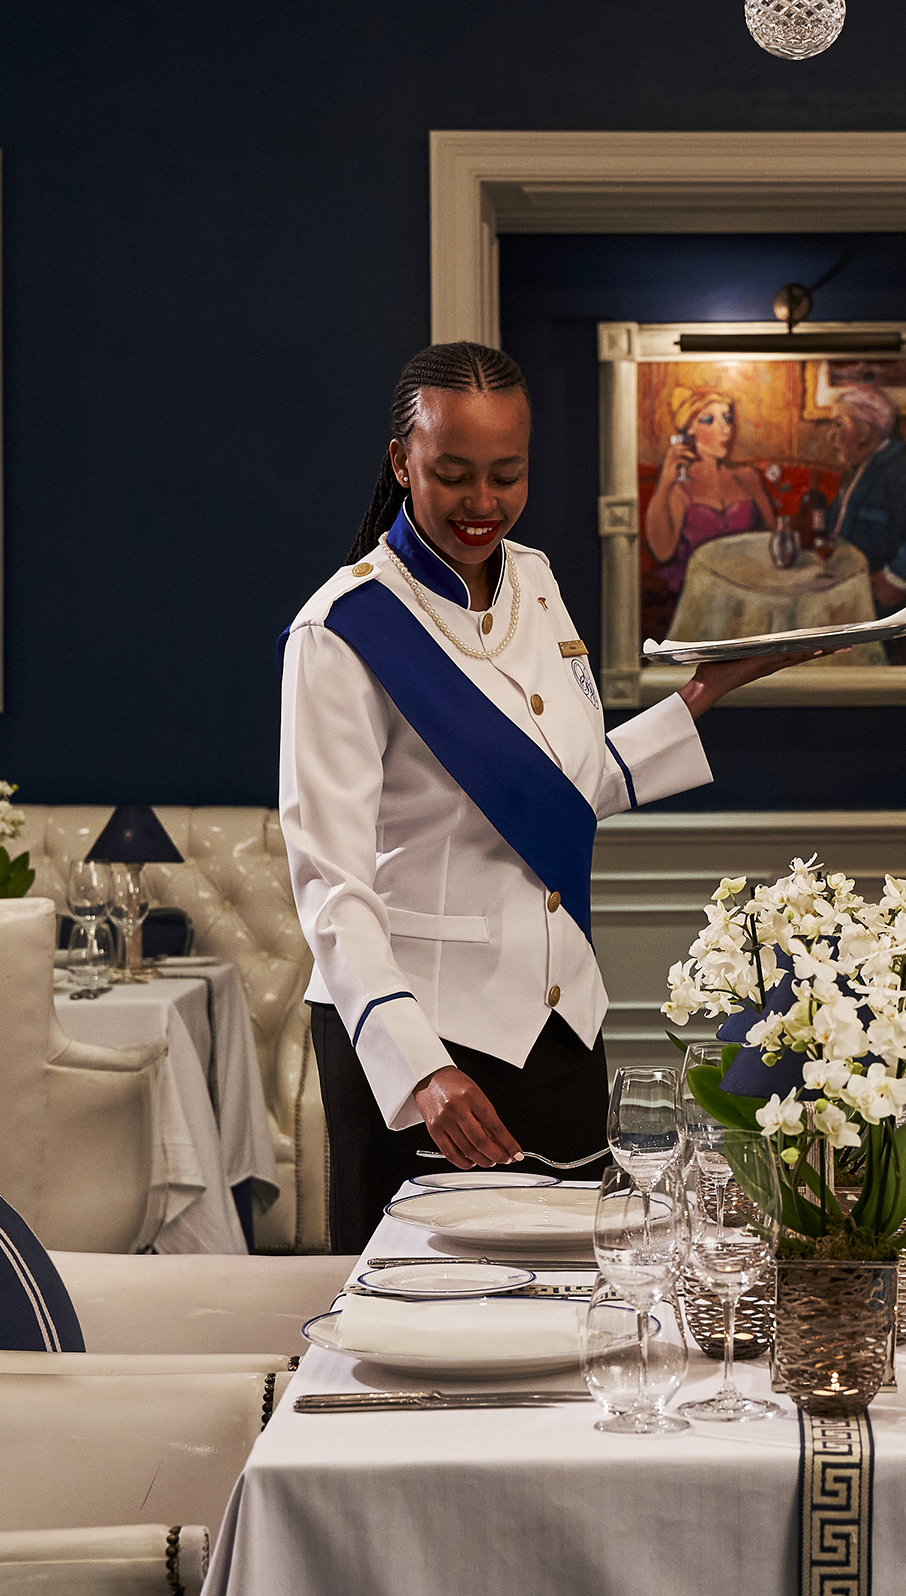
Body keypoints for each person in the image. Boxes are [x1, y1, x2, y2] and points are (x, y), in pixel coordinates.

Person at [279, 343, 825, 1252]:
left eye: (507, 474)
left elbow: (560, 793)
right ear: (401, 461)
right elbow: (330, 887)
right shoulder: (343, 630)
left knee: (573, 1295)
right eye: (453, 474)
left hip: (564, 1024)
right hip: (429, 1037)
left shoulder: (534, 582)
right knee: (425, 1304)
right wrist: (419, 1069)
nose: (483, 502)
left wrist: (704, 692)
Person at [639, 389, 774, 594]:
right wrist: (665, 480)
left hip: (748, 583)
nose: (725, 429)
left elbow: (773, 535)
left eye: (727, 419)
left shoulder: (747, 477)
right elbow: (662, 552)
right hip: (700, 588)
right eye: (709, 420)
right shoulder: (680, 488)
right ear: (689, 430)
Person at [827, 384, 906, 619]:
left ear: (864, 432)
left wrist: (897, 577)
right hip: (850, 585)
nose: (831, 435)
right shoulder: (857, 470)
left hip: (889, 606)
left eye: (838, 424)